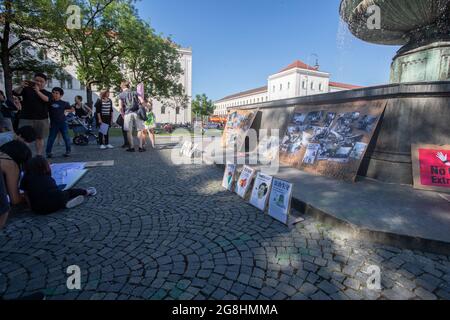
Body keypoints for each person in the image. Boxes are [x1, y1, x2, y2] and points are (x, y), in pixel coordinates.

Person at [20, 156, 97, 215]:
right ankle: (87, 192)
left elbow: (27, 195)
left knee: (51, 195)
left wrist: (31, 207)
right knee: (68, 192)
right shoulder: (47, 178)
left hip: (38, 209)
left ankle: (63, 203)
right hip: (56, 201)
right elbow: (54, 190)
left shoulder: (26, 179)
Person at [13, 73, 52, 156]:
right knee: (23, 138)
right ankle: (24, 156)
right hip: (26, 118)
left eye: (41, 81)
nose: (38, 83)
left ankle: (39, 155)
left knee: (39, 138)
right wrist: (21, 86)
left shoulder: (47, 93)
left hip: (41, 119)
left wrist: (37, 91)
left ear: (45, 83)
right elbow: (15, 93)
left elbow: (47, 100)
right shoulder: (26, 90)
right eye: (36, 80)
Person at [35, 87, 74, 158]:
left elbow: (72, 109)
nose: (55, 94)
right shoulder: (50, 102)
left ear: (61, 95)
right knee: (51, 138)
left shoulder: (64, 103)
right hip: (53, 123)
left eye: (57, 93)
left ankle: (68, 151)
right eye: (53, 92)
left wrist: (66, 111)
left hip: (63, 123)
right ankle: (48, 152)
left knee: (66, 137)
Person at [118, 81, 145, 152]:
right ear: (128, 86)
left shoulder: (121, 95)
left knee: (128, 131)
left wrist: (122, 114)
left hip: (127, 113)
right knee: (139, 130)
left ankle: (132, 147)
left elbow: (120, 107)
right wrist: (142, 109)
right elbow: (142, 101)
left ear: (122, 87)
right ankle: (140, 147)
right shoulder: (135, 92)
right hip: (137, 113)